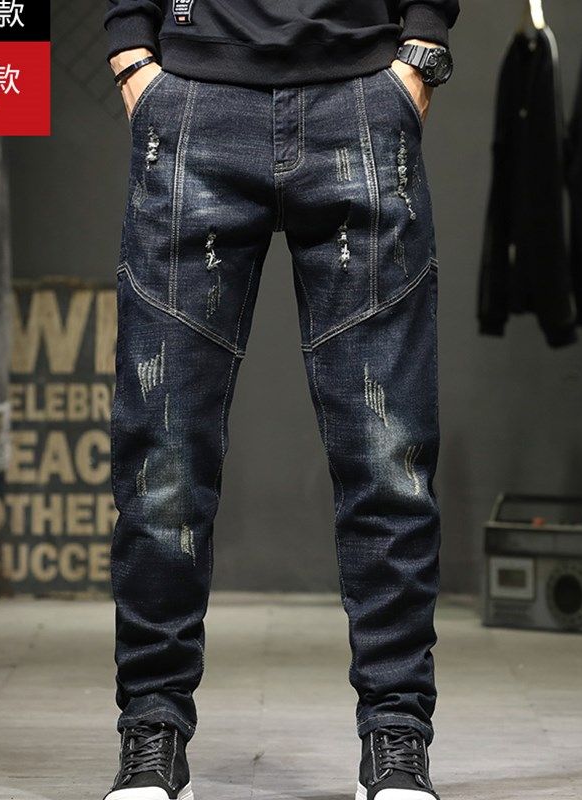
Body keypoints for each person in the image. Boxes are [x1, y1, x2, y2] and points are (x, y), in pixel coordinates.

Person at [103, 2, 459, 798]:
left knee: (389, 461)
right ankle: (151, 732)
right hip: (192, 100)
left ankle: (397, 737)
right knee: (162, 460)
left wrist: (422, 47)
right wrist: (132, 53)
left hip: (362, 96)